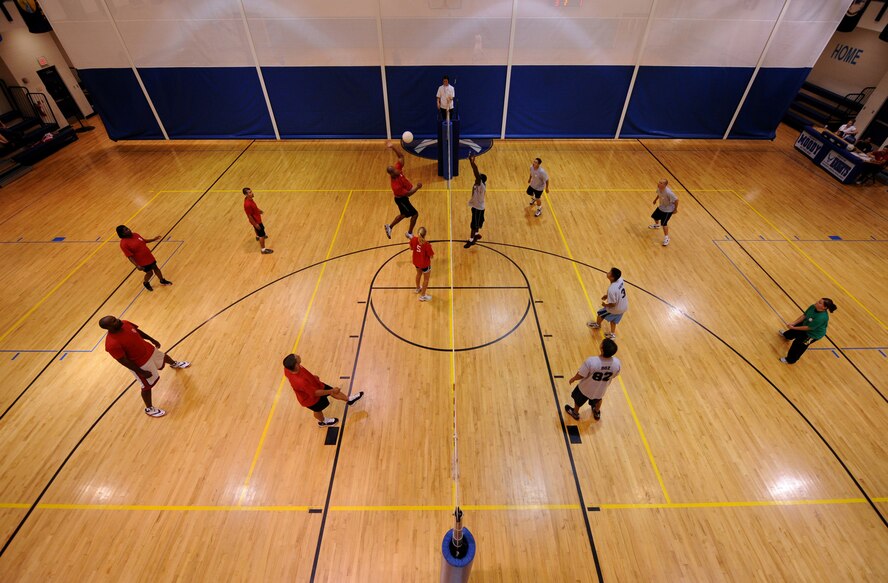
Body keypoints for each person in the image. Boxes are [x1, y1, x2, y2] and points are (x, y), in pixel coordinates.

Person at [99, 316, 190, 417]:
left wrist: (152, 339)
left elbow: (137, 332)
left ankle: (174, 364)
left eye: (115, 318)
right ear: (108, 327)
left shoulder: (125, 323)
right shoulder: (111, 344)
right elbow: (123, 361)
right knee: (146, 386)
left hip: (148, 349)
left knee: (162, 356)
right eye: (114, 321)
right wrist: (141, 372)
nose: (118, 320)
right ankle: (149, 409)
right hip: (140, 363)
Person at [283, 353, 364, 427]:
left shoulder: (288, 369)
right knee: (318, 410)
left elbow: (303, 377)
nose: (298, 355)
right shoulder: (300, 382)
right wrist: (331, 391)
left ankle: (349, 400)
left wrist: (312, 378)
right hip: (310, 399)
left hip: (315, 385)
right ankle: (323, 422)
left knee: (332, 390)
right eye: (297, 357)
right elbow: (314, 393)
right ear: (296, 365)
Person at [564, 338, 621, 422]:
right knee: (598, 400)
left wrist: (573, 378)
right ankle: (597, 412)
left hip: (585, 389)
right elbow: (615, 375)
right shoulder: (617, 363)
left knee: (578, 401)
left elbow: (581, 374)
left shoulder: (591, 361)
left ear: (601, 348)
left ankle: (575, 413)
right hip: (601, 390)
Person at [777, 298, 837, 364]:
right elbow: (804, 315)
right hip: (807, 323)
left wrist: (794, 328)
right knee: (793, 330)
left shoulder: (822, 317)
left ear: (824, 307)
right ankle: (787, 336)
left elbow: (808, 328)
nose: (817, 302)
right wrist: (793, 324)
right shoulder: (813, 307)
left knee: (798, 345)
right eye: (818, 301)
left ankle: (790, 360)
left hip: (812, 335)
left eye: (819, 303)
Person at [384, 142, 423, 240]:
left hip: (403, 198)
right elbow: (408, 193)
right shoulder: (395, 185)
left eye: (396, 169)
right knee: (415, 214)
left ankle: (389, 226)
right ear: (391, 174)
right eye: (394, 171)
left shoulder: (397, 169)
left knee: (403, 214)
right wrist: (417, 187)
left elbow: (401, 156)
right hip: (401, 200)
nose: (397, 170)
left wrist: (393, 147)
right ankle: (409, 233)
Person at [117, 225, 171, 291]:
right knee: (150, 273)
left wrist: (153, 239)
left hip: (149, 256)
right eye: (126, 230)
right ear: (122, 234)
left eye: (127, 228)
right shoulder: (123, 244)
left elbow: (144, 241)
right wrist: (137, 265)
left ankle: (162, 280)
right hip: (141, 261)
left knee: (156, 268)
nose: (128, 230)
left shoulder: (135, 234)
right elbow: (129, 256)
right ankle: (146, 283)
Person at [587, 267, 628, 339]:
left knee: (600, 314)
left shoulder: (611, 289)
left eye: (609, 273)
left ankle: (597, 325)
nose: (607, 273)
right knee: (613, 321)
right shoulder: (620, 279)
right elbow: (617, 292)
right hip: (624, 306)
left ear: (612, 278)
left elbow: (613, 304)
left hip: (616, 308)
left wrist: (605, 305)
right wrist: (607, 296)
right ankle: (612, 334)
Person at [465, 153, 487, 248]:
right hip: (477, 206)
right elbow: (476, 174)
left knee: (473, 225)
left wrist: (472, 163)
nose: (476, 178)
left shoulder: (480, 185)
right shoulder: (479, 184)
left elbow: (476, 172)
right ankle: (477, 234)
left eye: (478, 177)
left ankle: (471, 240)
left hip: (478, 208)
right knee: (477, 223)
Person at [648, 179, 679, 246]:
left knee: (664, 223)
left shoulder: (669, 192)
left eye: (661, 183)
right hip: (661, 207)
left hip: (668, 210)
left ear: (665, 185)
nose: (658, 183)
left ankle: (666, 238)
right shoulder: (659, 189)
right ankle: (657, 225)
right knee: (654, 217)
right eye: (659, 182)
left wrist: (675, 209)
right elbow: (659, 194)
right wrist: (655, 200)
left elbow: (676, 200)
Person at [243, 187, 273, 254]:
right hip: (256, 221)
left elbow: (254, 208)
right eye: (250, 192)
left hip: (256, 219)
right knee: (261, 234)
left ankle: (257, 236)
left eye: (251, 191)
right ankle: (263, 250)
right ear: (246, 194)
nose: (252, 193)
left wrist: (259, 210)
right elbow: (249, 216)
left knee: (258, 230)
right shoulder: (247, 204)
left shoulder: (250, 199)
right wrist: (256, 224)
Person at [409, 226, 434, 302]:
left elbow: (411, 248)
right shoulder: (427, 245)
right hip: (425, 265)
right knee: (426, 280)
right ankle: (422, 296)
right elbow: (431, 256)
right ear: (425, 234)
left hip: (416, 262)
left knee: (418, 274)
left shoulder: (413, 239)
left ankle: (417, 288)